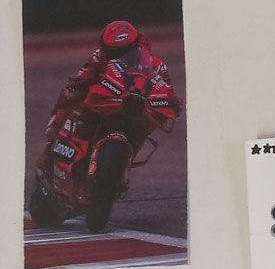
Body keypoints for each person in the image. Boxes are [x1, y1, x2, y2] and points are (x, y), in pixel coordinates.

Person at [36, 21, 182, 172]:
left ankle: (123, 160)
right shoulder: (98, 57)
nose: (120, 57)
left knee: (147, 124)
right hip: (105, 103)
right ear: (105, 50)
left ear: (136, 46)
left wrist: (171, 102)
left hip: (135, 110)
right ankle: (50, 147)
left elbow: (171, 93)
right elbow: (81, 78)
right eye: (113, 53)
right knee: (69, 94)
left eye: (127, 52)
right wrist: (82, 84)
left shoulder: (155, 64)